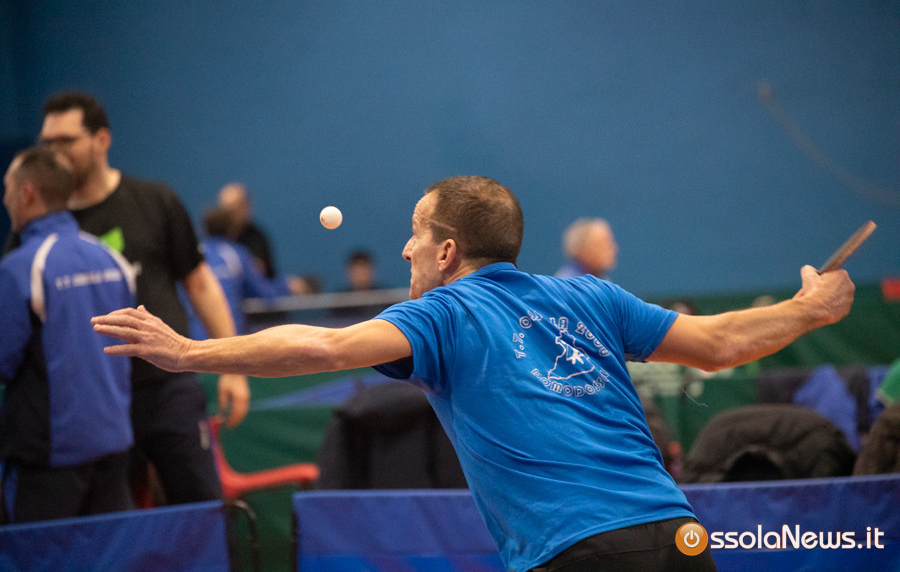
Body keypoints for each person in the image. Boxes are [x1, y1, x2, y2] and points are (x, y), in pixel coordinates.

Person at [92, 176, 854, 572]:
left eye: (416, 235)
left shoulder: (442, 315)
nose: (406, 251)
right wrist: (807, 311)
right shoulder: (591, 297)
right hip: (677, 536)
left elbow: (322, 347)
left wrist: (190, 353)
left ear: (449, 251)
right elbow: (719, 344)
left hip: (577, 553)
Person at [38, 92, 249, 506]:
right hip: (87, 403)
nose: (54, 153)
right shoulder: (43, 226)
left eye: (66, 141)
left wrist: (233, 367)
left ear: (101, 140)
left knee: (202, 509)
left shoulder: (154, 201)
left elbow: (200, 284)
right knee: (108, 524)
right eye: (48, 143)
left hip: (166, 389)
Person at [0, 147, 136, 523]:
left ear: (27, 193)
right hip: (114, 445)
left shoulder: (20, 268)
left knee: (32, 553)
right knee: (110, 552)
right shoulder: (111, 258)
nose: (5, 199)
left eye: (7, 188)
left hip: (47, 458)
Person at [185, 206, 309, 340]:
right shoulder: (237, 254)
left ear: (204, 229)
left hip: (190, 339)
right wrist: (287, 285)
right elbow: (263, 292)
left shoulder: (192, 253)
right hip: (227, 338)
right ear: (232, 230)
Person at [218, 182, 277, 278]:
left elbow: (258, 270)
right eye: (227, 210)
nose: (230, 215)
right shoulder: (215, 239)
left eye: (235, 208)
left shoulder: (257, 238)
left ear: (247, 207)